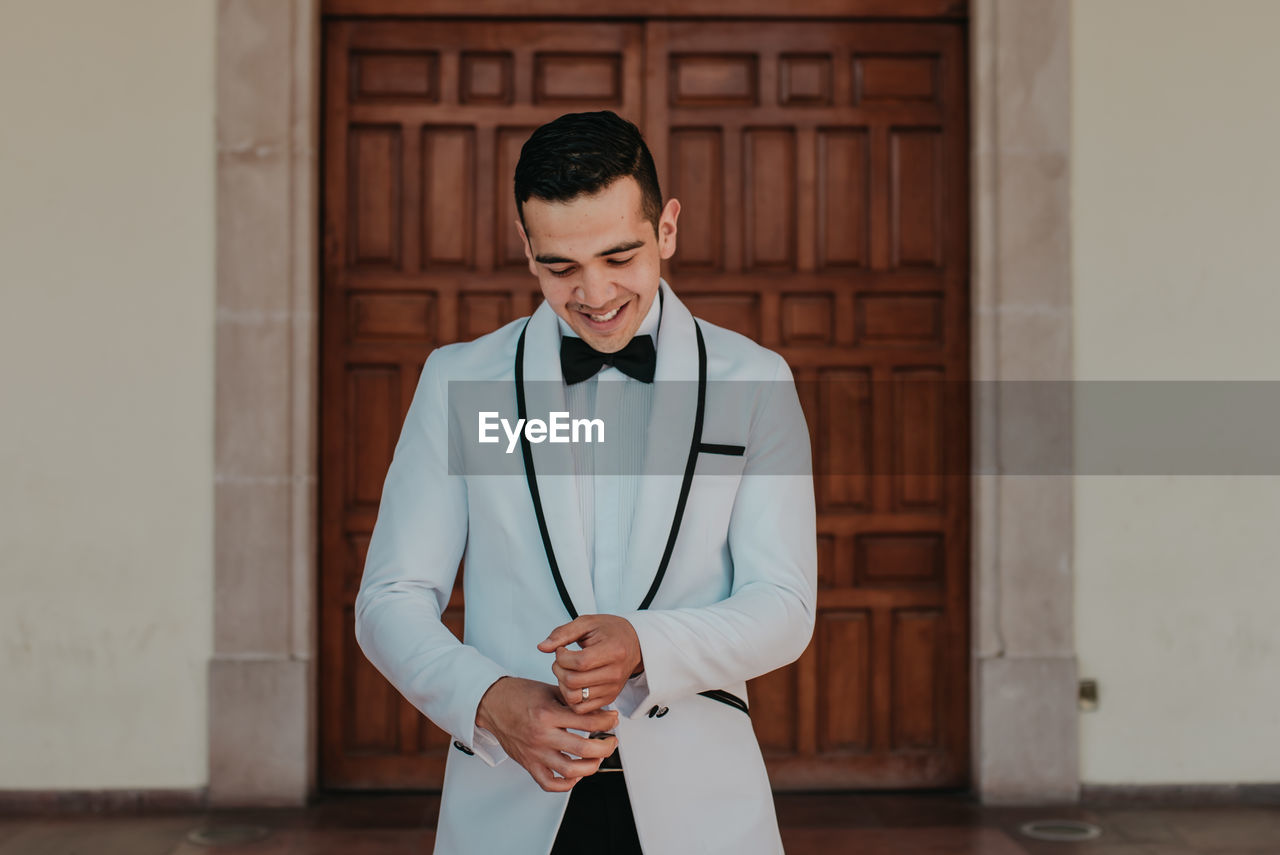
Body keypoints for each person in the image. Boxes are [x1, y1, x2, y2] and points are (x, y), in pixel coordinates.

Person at [355, 110, 816, 855]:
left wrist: (645, 642)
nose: (594, 294)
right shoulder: (457, 380)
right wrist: (489, 700)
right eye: (560, 267)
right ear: (525, 245)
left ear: (666, 229)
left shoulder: (755, 381)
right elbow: (390, 599)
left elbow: (786, 604)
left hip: (702, 808)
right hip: (510, 796)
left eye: (619, 255)